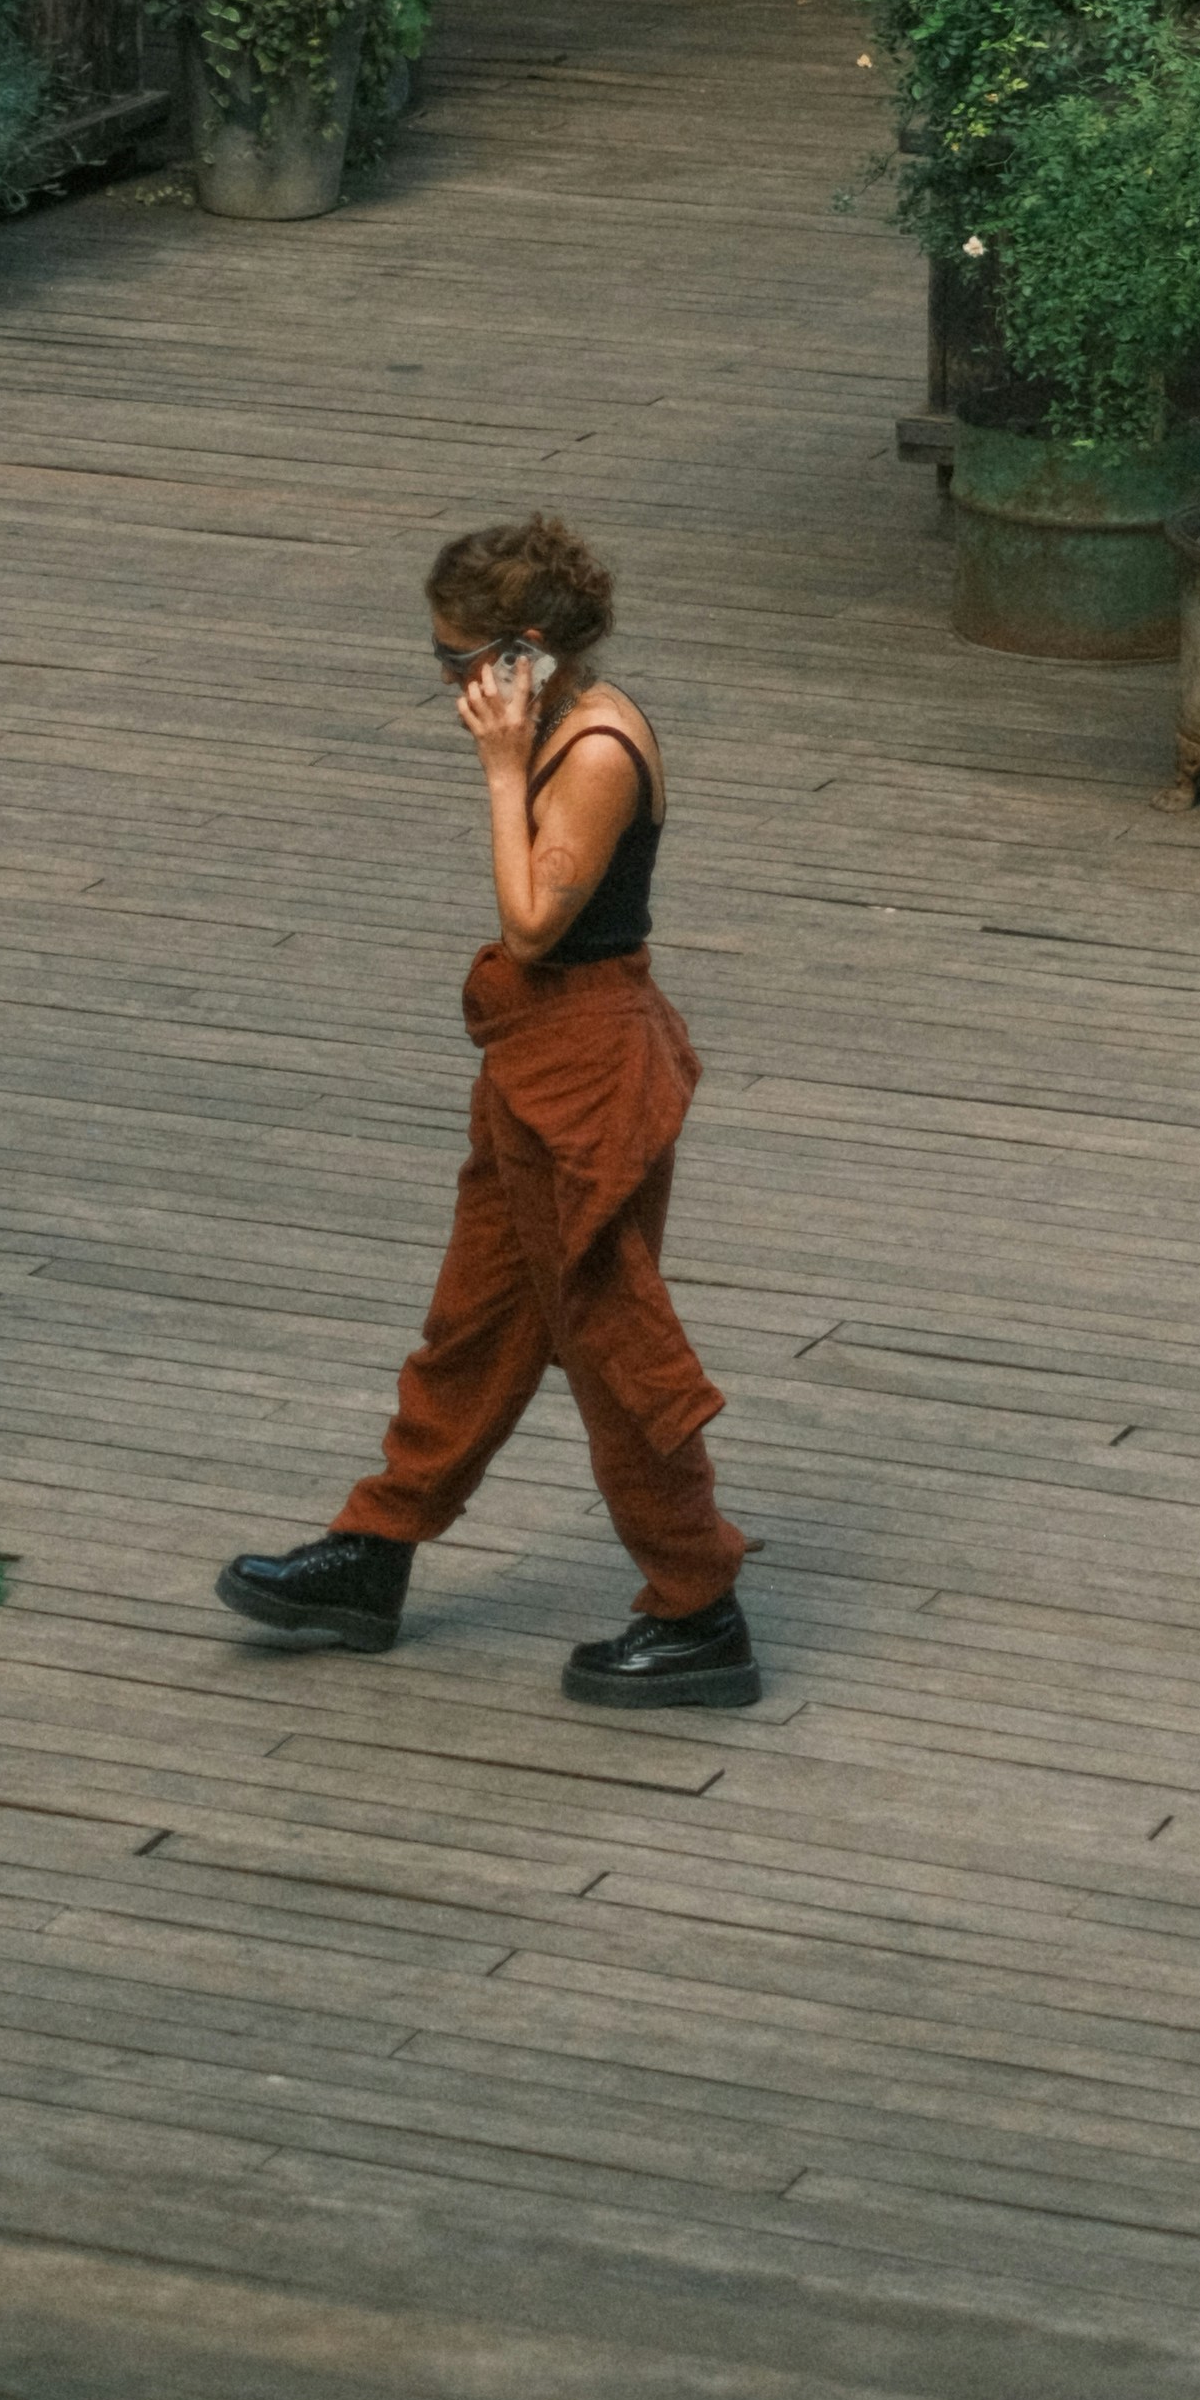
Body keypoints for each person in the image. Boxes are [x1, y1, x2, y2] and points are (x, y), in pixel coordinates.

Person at [217, 513, 763, 1713]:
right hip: (532, 1059)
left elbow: (531, 923)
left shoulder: (598, 749)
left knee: (614, 1343)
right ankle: (375, 1551)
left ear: (521, 655)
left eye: (454, 662)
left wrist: (502, 768)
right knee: (477, 1319)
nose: (450, 685)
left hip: (588, 1068)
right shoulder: (563, 720)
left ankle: (697, 1608)